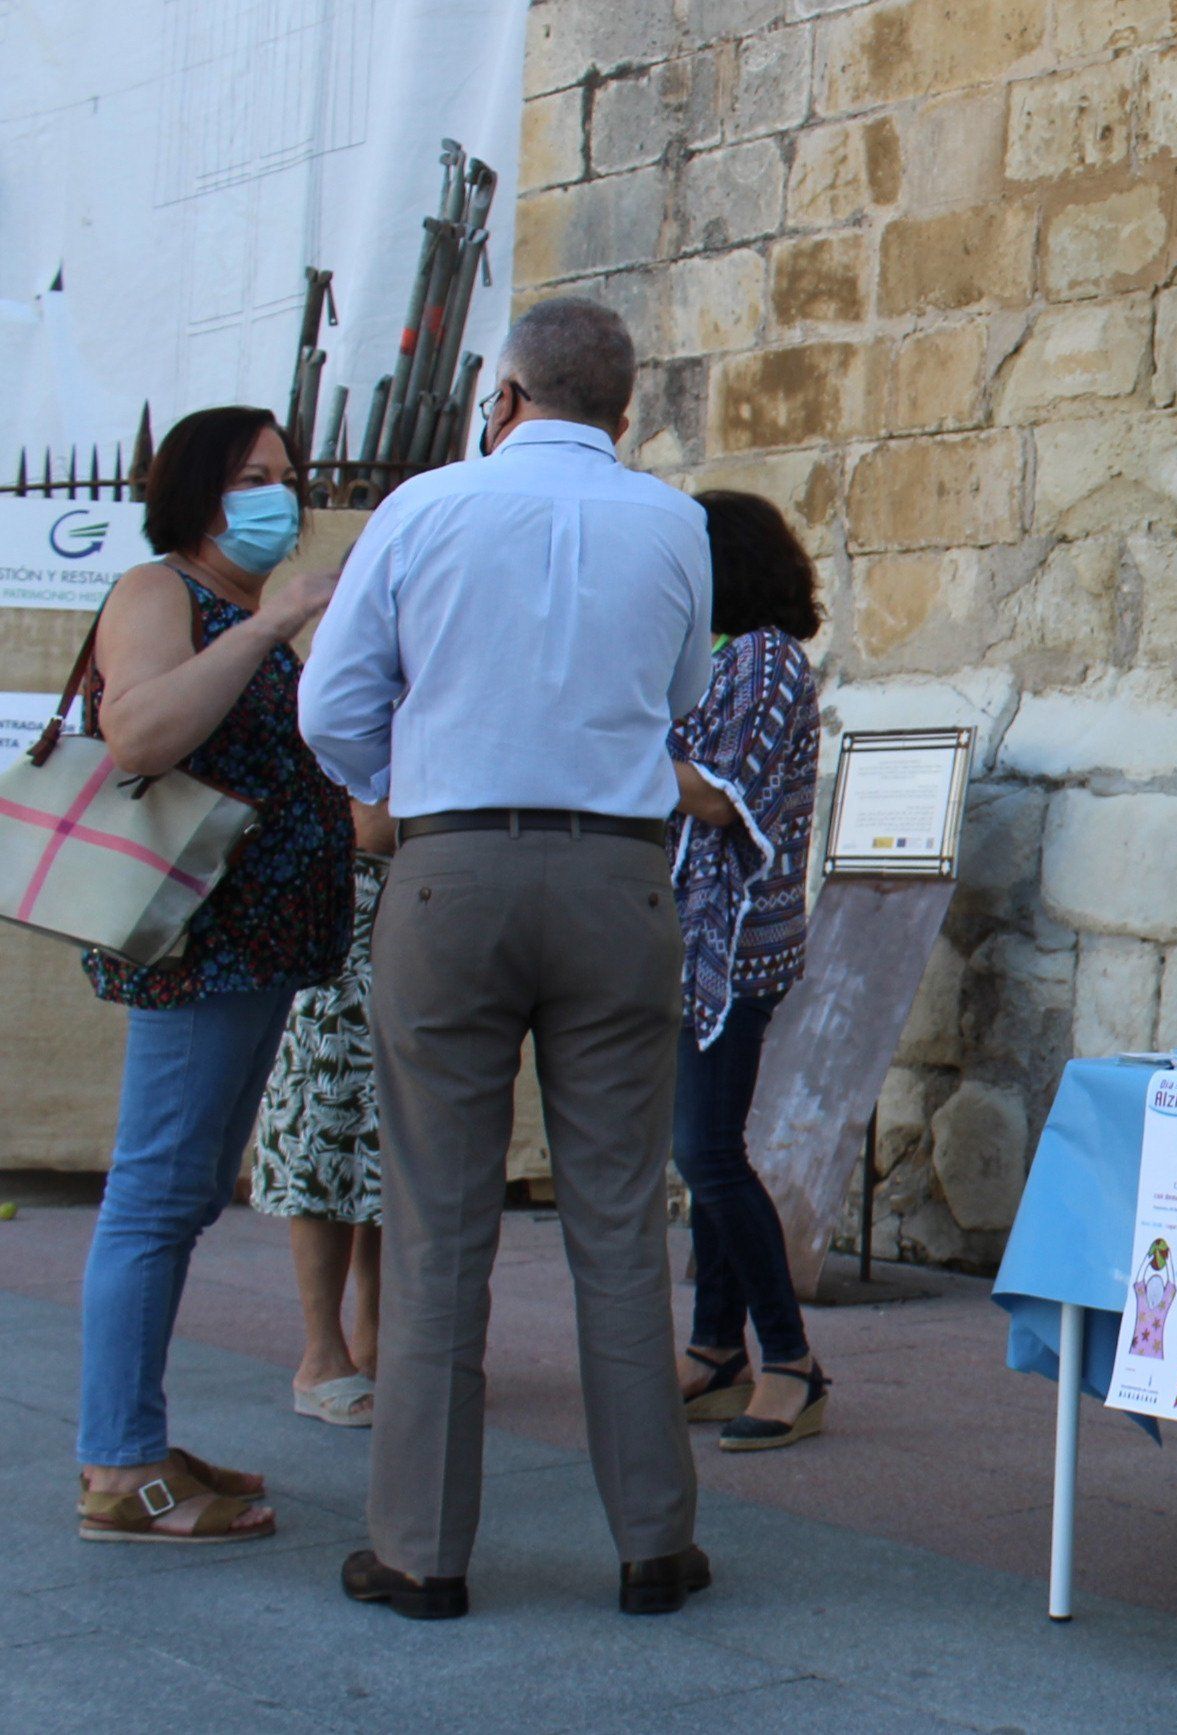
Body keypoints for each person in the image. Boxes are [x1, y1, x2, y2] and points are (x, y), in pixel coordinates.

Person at [298, 297, 714, 1620]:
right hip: (615, 869)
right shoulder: (676, 522)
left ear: (505, 392)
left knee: (438, 1222)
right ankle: (654, 1538)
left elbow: (333, 705)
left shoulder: (425, 506)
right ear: (624, 405)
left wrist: (405, 785)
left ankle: (421, 1548)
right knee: (616, 1218)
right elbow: (682, 692)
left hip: (453, 865)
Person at [72, 405, 352, 1544]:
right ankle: (116, 1467)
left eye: (286, 476)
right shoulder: (161, 594)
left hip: (260, 952)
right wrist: (267, 625)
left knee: (183, 1200)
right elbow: (139, 733)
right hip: (199, 948)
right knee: (151, 1199)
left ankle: (134, 1435)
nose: (276, 495)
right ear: (197, 491)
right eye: (250, 476)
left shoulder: (243, 611)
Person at [667, 488, 827, 1453]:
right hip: (694, 940)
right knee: (707, 1148)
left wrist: (604, 740)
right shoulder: (720, 658)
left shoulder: (766, 659)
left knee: (709, 1154)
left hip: (736, 947)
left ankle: (794, 1362)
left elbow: (719, 800)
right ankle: (715, 1351)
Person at [251, 797, 396, 1426]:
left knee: (397, 1144)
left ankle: (375, 1338)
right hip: (344, 912)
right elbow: (370, 823)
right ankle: (321, 1357)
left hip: (415, 912)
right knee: (325, 1128)